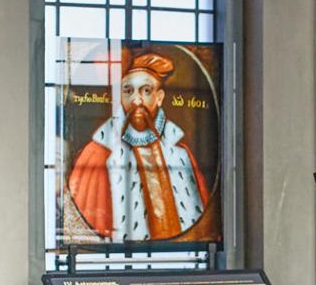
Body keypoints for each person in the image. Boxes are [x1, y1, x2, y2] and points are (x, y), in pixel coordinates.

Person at [65, 50, 211, 241]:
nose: (136, 100)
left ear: (159, 97)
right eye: (128, 91)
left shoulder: (181, 154)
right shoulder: (97, 154)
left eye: (146, 91)